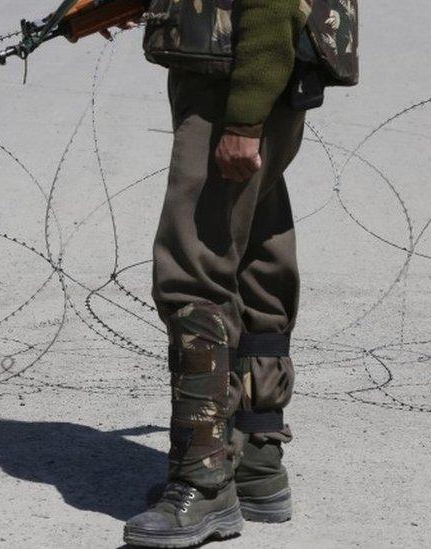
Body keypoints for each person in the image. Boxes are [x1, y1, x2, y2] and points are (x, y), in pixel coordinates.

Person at [113, 0, 336, 546]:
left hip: (236, 79)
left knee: (193, 270)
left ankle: (204, 479)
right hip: (246, 74)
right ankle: (256, 461)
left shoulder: (241, 93)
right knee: (258, 253)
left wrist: (244, 118)